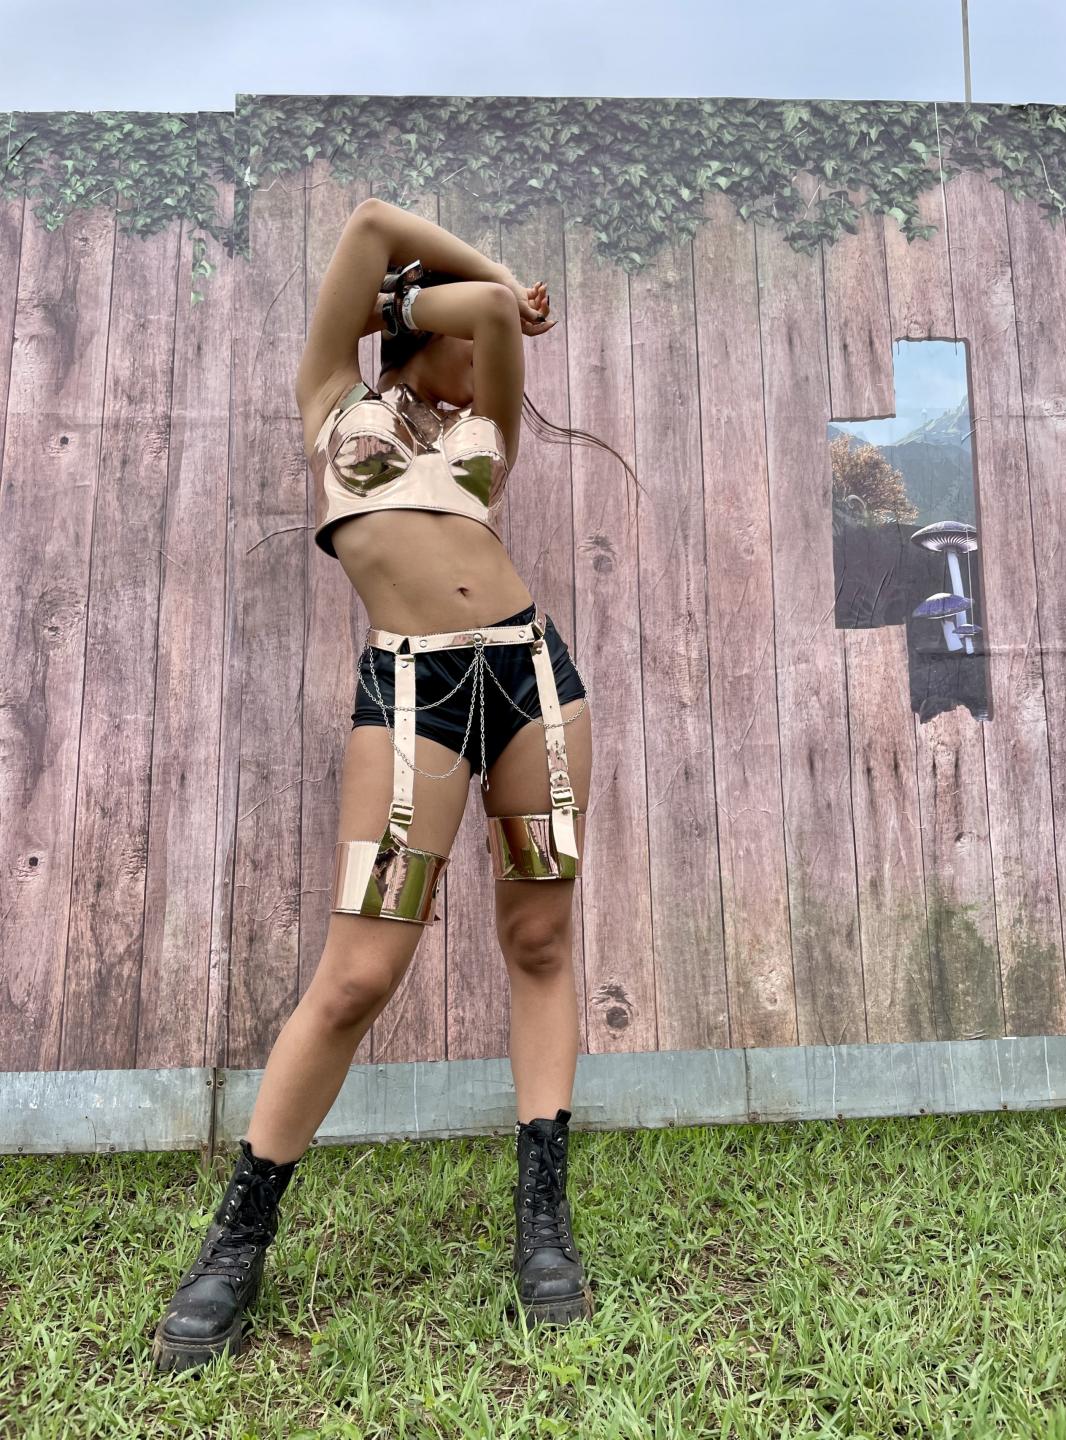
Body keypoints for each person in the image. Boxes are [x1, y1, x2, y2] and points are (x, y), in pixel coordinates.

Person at [151, 197, 639, 1372]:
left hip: (534, 683)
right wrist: (417, 299)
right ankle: (236, 1242)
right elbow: (374, 224)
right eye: (459, 343)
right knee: (359, 973)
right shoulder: (334, 397)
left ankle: (543, 1222)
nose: (487, 366)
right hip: (412, 698)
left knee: (539, 942)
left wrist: (489, 307)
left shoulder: (486, 422)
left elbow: (494, 318)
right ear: (419, 331)